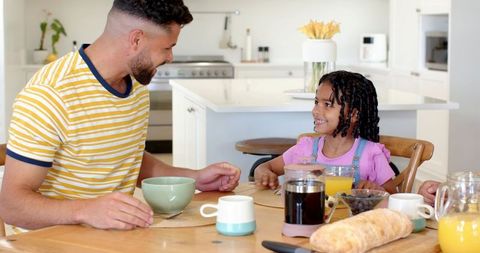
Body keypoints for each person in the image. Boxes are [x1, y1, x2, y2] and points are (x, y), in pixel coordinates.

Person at [0, 0, 240, 231]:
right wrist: (85, 210)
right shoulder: (49, 95)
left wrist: (195, 178)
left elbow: (127, 158)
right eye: (167, 47)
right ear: (136, 39)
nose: (170, 58)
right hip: (52, 244)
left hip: (117, 238)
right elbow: (12, 206)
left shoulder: (135, 87)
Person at [254, 70, 397, 193]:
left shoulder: (371, 154)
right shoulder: (306, 148)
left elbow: (392, 195)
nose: (316, 111)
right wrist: (263, 172)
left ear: (353, 114)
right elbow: (267, 167)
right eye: (316, 102)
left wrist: (376, 189)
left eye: (327, 104)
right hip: (310, 221)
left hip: (352, 223)